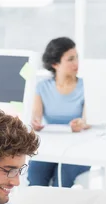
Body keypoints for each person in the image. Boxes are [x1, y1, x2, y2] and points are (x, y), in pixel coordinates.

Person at [27, 37, 91, 187]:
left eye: (77, 58)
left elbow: (88, 120)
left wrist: (82, 124)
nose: (76, 63)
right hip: (52, 148)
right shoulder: (42, 87)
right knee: (35, 173)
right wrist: (35, 123)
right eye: (70, 59)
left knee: (62, 176)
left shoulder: (86, 86)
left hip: (78, 149)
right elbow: (36, 116)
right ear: (55, 64)